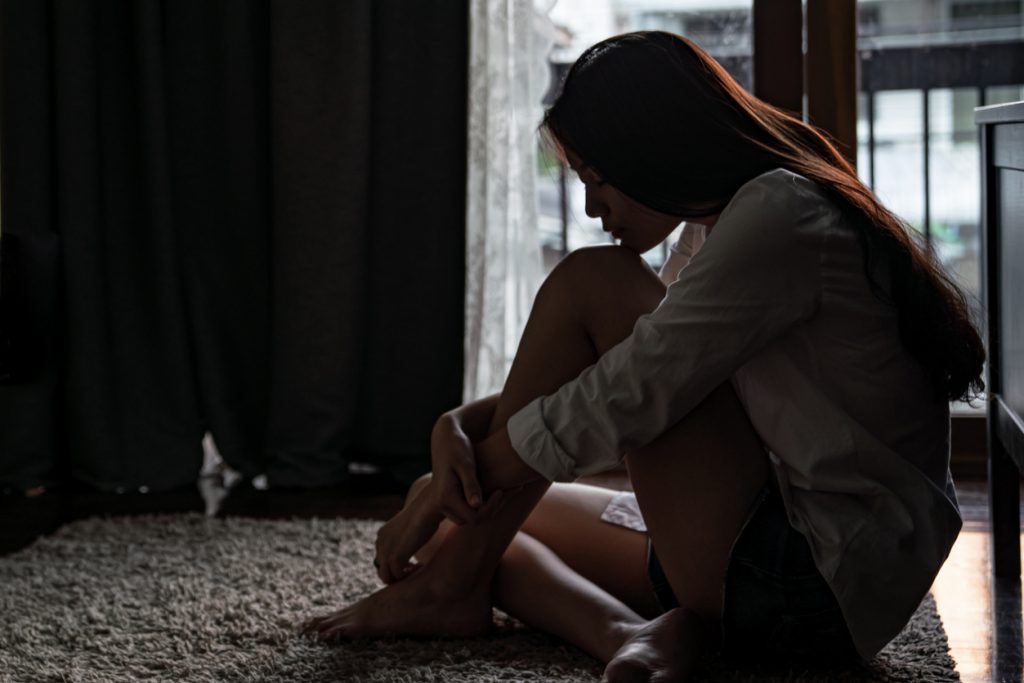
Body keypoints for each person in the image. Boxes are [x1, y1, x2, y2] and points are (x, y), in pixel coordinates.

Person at [303, 31, 985, 682]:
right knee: (459, 512)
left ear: (654, 147)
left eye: (598, 179)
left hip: (808, 579)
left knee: (588, 283)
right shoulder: (728, 221)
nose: (595, 208)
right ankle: (624, 634)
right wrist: (454, 427)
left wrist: (473, 464)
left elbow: (629, 389)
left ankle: (451, 586)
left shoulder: (780, 214)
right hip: (782, 556)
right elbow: (611, 371)